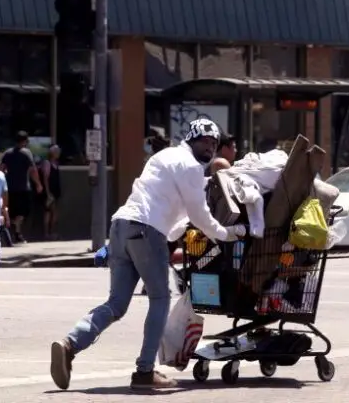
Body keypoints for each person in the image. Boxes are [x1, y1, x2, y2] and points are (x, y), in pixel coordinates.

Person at [50, 118, 245, 391]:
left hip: (121, 227)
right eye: (205, 141)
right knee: (160, 298)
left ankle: (70, 344)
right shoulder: (190, 167)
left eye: (214, 143)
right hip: (145, 230)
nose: (210, 148)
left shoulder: (164, 157)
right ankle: (144, 371)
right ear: (191, 138)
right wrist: (228, 233)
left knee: (116, 304)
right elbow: (199, 216)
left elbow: (175, 219)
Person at [0, 131, 44, 243]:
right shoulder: (27, 153)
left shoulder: (7, 153)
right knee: (23, 211)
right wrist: (38, 184)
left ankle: (11, 230)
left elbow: (2, 168)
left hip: (9, 187)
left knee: (10, 210)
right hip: (23, 187)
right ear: (25, 141)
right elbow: (33, 170)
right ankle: (17, 231)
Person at [40, 144, 63, 239]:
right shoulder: (47, 163)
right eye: (56, 152)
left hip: (55, 191)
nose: (58, 153)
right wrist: (48, 192)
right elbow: (45, 178)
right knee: (49, 212)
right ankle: (48, 233)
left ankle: (51, 232)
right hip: (49, 192)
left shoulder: (56, 164)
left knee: (53, 213)